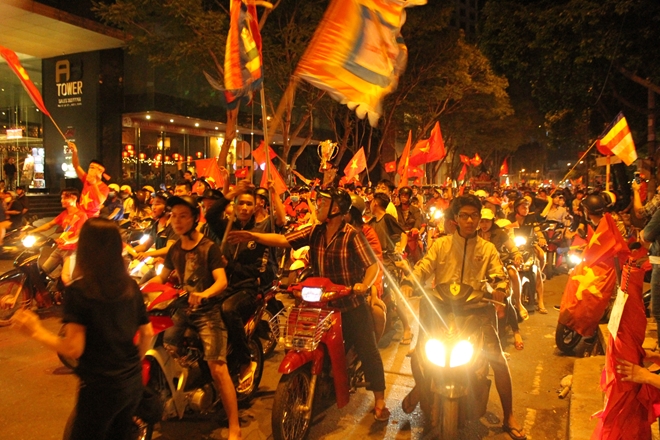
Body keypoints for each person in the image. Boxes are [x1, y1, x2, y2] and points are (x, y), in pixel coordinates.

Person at [227, 187, 390, 421]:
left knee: (368, 349)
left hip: (350, 303)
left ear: (336, 209)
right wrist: (253, 236)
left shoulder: (352, 235)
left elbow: (372, 265)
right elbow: (283, 240)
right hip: (322, 303)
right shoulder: (315, 231)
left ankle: (380, 400)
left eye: (323, 203)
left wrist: (363, 285)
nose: (318, 206)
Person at [11, 217, 154, 440]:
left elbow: (73, 348)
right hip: (132, 384)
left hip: (100, 388)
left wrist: (36, 331)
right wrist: (130, 367)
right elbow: (147, 333)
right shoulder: (130, 286)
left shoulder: (80, 291)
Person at [400, 195, 526, 440]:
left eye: (474, 216)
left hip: (477, 310)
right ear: (456, 219)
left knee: (497, 359)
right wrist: (409, 282)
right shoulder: (441, 245)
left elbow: (498, 274)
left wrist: (500, 287)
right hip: (440, 309)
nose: (470, 220)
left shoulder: (487, 249)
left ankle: (509, 415)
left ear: (479, 219)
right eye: (464, 216)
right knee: (418, 355)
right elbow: (424, 267)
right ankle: (423, 392)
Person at [148, 195, 241, 440]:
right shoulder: (175, 249)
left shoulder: (208, 247)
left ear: (194, 218)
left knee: (217, 368)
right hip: (181, 309)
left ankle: (235, 426)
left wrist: (204, 294)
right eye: (173, 216)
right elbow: (162, 277)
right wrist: (139, 288)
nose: (177, 221)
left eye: (183, 216)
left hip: (207, 312)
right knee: (162, 346)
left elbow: (221, 281)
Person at [206, 181, 278, 390]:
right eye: (241, 203)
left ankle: (245, 361)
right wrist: (231, 193)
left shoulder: (258, 234)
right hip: (222, 285)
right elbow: (211, 215)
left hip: (247, 288)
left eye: (249, 204)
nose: (244, 208)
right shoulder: (228, 227)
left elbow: (257, 271)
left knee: (228, 310)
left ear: (256, 207)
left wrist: (230, 265)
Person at [479, 208, 527, 348]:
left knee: (504, 298)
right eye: (482, 221)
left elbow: (512, 248)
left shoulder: (500, 233)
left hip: (500, 267)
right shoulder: (474, 235)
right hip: (481, 270)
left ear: (492, 221)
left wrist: (517, 255)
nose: (484, 224)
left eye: (487, 221)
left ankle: (516, 330)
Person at [369, 192, 411, 346]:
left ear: (375, 203)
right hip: (373, 263)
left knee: (394, 295)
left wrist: (401, 248)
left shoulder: (387, 218)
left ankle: (407, 328)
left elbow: (403, 234)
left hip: (387, 262)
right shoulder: (371, 221)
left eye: (371, 201)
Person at [28, 188, 87, 285]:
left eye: (65, 198)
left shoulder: (81, 215)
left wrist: (67, 241)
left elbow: (78, 236)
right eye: (61, 198)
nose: (62, 201)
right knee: (42, 271)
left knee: (66, 278)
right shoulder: (64, 214)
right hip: (60, 248)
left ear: (74, 198)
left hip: (72, 251)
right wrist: (31, 231)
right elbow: (49, 225)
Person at [508, 197, 547, 314]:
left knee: (539, 266)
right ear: (516, 208)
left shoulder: (531, 217)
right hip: (514, 247)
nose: (526, 209)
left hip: (530, 245)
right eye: (523, 207)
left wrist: (541, 238)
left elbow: (537, 230)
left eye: (527, 207)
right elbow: (506, 230)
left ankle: (540, 301)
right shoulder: (510, 217)